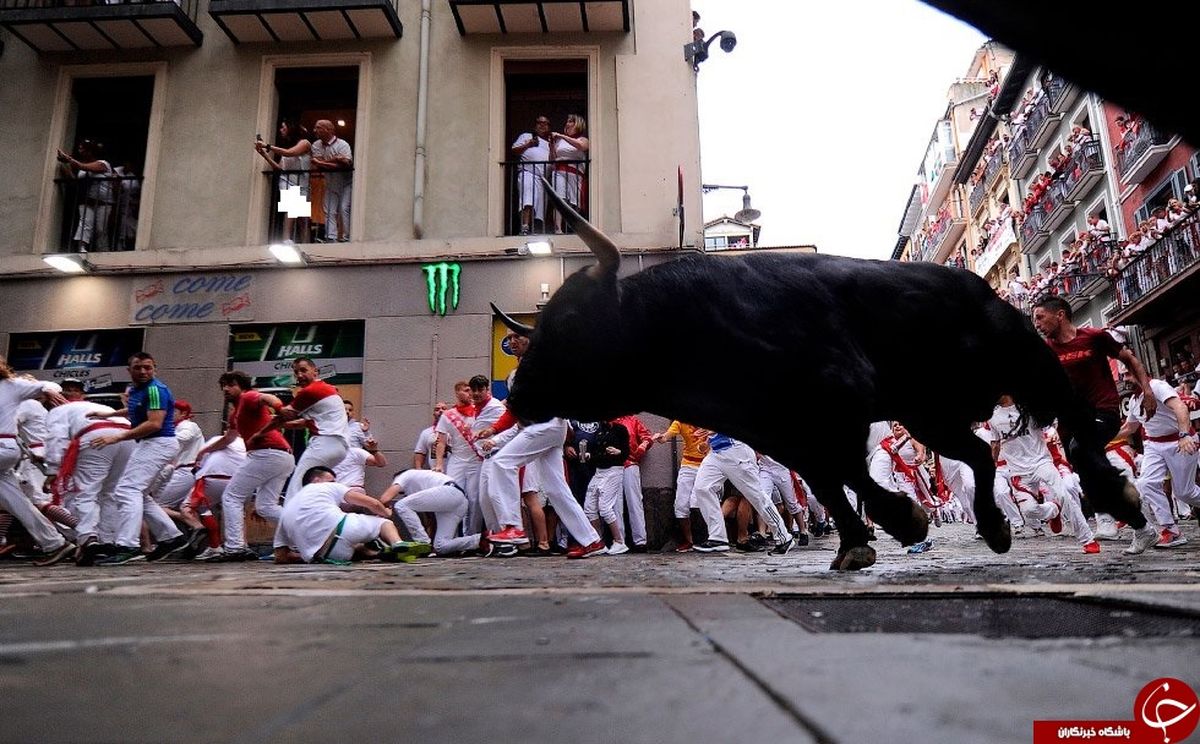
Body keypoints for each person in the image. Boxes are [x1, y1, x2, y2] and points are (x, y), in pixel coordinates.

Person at [1031, 296, 1160, 554]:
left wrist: (1147, 390)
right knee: (1089, 478)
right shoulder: (1046, 351)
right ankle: (1142, 526)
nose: (1037, 324)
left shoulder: (1094, 336)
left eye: (1040, 317)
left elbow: (1130, 359)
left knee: (1082, 449)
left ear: (1060, 315)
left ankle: (1121, 491)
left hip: (1103, 411)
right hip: (1069, 421)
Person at [86, 353, 189, 565]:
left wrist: (117, 437)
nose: (143, 372)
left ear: (154, 369)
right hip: (150, 444)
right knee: (138, 494)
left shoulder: (155, 390)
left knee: (127, 490)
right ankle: (171, 537)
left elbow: (154, 423)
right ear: (129, 370)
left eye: (148, 368)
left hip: (158, 442)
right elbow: (136, 410)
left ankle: (127, 545)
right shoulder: (136, 391)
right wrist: (108, 415)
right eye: (138, 368)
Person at [194, 371, 294, 562]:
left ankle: (235, 547)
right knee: (265, 507)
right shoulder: (235, 414)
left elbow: (267, 397)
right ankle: (304, 528)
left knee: (231, 497)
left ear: (242, 386)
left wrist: (280, 408)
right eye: (223, 385)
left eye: (230, 385)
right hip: (283, 456)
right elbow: (228, 439)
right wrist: (203, 451)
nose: (225, 389)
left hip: (266, 453)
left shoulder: (248, 397)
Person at [982, 396, 1099, 553]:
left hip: (1041, 462)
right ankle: (1053, 510)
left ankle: (1088, 540)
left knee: (1064, 494)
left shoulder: (1029, 406)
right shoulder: (992, 416)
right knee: (1029, 511)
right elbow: (995, 443)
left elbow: (1050, 420)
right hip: (1018, 472)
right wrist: (991, 466)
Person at [42, 382, 130, 564]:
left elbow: (56, 438)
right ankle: (108, 542)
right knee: (110, 493)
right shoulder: (100, 406)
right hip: (127, 436)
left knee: (85, 492)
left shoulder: (58, 411)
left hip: (96, 436)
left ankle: (88, 538)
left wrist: (52, 469)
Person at [273, 467, 427, 565]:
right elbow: (373, 504)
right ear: (316, 480)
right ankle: (397, 544)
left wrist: (306, 555)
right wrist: (386, 513)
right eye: (332, 480)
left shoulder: (288, 508)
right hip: (341, 529)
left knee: (356, 546)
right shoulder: (327, 487)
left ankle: (377, 554)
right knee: (382, 523)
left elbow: (281, 555)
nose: (335, 482)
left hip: (324, 555)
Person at [0, 361, 74, 566]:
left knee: (38, 500)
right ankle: (55, 543)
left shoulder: (10, 385)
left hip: (7, 448)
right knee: (19, 502)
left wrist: (49, 391)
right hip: (10, 454)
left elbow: (47, 385)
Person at [1116, 370, 1199, 548]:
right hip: (1153, 444)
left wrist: (1184, 434)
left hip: (1179, 440)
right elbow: (1129, 428)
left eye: (1129, 375)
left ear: (1141, 373)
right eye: (1123, 377)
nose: (1126, 380)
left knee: (1185, 492)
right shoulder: (1133, 401)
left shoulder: (1157, 386)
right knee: (1145, 483)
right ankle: (1170, 530)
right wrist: (1102, 438)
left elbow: (1180, 407)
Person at [688, 430, 794, 555]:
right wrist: (706, 442)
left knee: (757, 496)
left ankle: (784, 537)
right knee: (702, 488)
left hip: (738, 451)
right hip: (716, 453)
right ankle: (718, 538)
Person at [273, 357, 350, 503]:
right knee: (315, 489)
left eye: (303, 370)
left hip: (325, 443)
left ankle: (292, 522)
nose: (299, 375)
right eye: (296, 372)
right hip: (339, 448)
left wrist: (268, 408)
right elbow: (300, 423)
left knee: (295, 489)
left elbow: (285, 415)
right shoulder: (328, 390)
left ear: (315, 372)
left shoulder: (311, 391)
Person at [381, 469, 484, 557]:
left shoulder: (404, 475)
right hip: (457, 501)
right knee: (441, 546)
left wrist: (382, 512)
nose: (404, 493)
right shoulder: (423, 482)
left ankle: (422, 542)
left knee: (401, 505)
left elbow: (385, 498)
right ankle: (483, 538)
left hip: (449, 491)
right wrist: (430, 545)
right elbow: (430, 520)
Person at [654, 420, 708, 552]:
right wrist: (661, 438)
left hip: (708, 465)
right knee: (681, 506)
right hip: (688, 465)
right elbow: (667, 436)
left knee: (700, 502)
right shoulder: (679, 422)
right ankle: (689, 541)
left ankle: (710, 538)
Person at [255, 119, 312, 244]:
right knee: (292, 208)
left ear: (291, 129)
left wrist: (268, 146)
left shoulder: (305, 143)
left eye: (283, 127)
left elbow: (290, 153)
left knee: (303, 220)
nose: (281, 130)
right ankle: (286, 239)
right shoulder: (286, 147)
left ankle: (305, 244)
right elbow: (279, 168)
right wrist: (265, 155)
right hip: (289, 182)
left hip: (301, 183)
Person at [582, 420, 631, 555]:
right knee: (589, 507)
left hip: (614, 470)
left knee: (605, 508)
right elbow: (595, 451)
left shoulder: (620, 429)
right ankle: (598, 542)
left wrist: (618, 452)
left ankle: (619, 541)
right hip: (599, 470)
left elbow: (626, 452)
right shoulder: (599, 430)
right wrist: (589, 456)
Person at [57, 139, 115, 252]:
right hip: (88, 201)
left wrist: (68, 159)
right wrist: (65, 165)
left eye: (83, 149)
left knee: (100, 229)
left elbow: (83, 166)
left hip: (104, 203)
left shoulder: (103, 164)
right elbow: (75, 181)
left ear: (90, 152)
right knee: (85, 223)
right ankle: (81, 248)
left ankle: (103, 250)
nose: (80, 151)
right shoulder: (81, 170)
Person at [614, 413, 652, 551]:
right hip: (611, 466)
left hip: (630, 463)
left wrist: (643, 446)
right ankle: (619, 540)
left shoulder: (632, 420)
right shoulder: (607, 422)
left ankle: (640, 541)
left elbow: (647, 437)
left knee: (635, 502)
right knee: (614, 505)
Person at [310, 119, 353, 242]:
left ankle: (346, 237)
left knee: (344, 208)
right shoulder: (316, 145)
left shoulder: (342, 144)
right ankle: (331, 237)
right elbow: (318, 165)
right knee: (328, 210)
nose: (315, 131)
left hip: (346, 183)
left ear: (328, 130)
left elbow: (346, 164)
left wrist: (321, 162)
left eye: (318, 128)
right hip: (329, 183)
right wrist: (335, 160)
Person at [511, 115, 551, 235]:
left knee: (540, 206)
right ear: (535, 125)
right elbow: (514, 150)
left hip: (542, 178)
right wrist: (528, 145)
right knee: (527, 200)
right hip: (527, 173)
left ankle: (537, 229)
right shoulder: (526, 136)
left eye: (545, 123)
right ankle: (525, 227)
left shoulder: (549, 143)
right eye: (539, 122)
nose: (542, 125)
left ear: (549, 127)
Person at [550, 114, 589, 232]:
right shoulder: (560, 142)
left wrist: (562, 136)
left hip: (575, 174)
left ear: (578, 124)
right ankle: (558, 229)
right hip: (560, 171)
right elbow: (552, 158)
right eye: (567, 121)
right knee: (560, 199)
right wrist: (551, 145)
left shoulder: (583, 139)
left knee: (574, 202)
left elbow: (581, 146)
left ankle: (573, 228)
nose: (567, 124)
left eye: (570, 121)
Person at [413, 401, 448, 469]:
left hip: (454, 473)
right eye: (437, 409)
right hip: (435, 473)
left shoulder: (454, 430)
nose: (440, 411)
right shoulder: (426, 432)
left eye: (444, 408)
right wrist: (418, 470)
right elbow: (420, 452)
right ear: (434, 414)